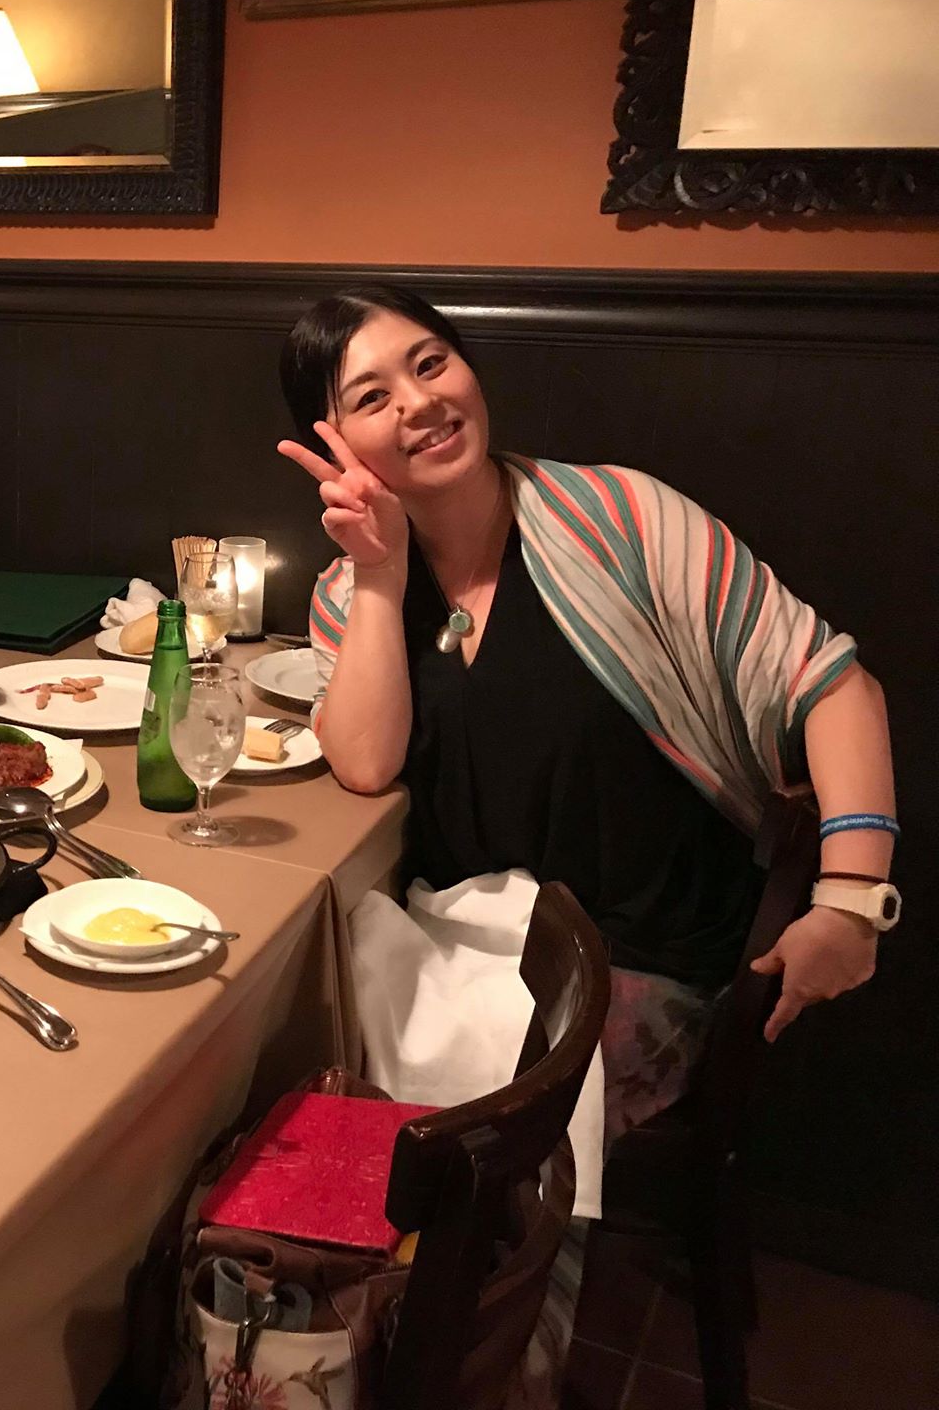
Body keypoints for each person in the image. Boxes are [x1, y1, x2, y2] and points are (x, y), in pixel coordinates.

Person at [275, 284, 898, 1402]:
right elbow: (363, 762)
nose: (419, 403)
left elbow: (832, 683)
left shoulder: (617, 520)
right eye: (371, 396)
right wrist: (375, 575)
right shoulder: (351, 592)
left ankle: (479, 1382)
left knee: (497, 1151)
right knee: (306, 1100)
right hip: (460, 944)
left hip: (644, 954)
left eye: (431, 362)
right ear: (333, 443)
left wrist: (851, 899)